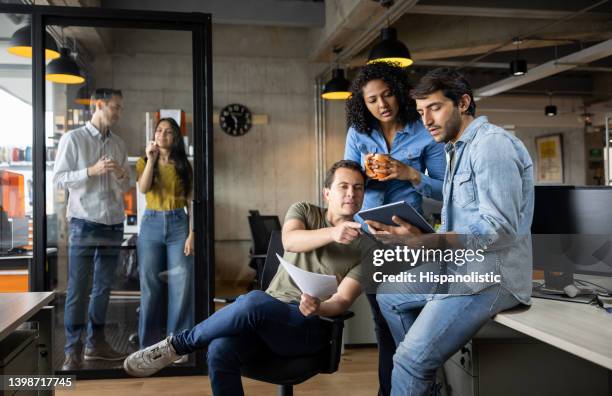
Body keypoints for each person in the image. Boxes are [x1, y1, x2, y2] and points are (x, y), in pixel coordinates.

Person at [123, 160, 366, 396]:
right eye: (343, 186)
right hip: (268, 315)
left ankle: (178, 345)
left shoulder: (367, 248)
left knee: (252, 302)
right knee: (220, 349)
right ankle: (178, 345)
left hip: (309, 326)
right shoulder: (304, 210)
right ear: (327, 193)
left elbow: (342, 301)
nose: (351, 193)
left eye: (358, 188)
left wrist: (318, 307)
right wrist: (333, 233)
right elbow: (290, 240)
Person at [368, 67, 534, 396]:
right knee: (389, 292)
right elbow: (457, 210)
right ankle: (423, 374)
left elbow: (498, 230)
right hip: (463, 266)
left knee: (409, 361)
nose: (426, 120)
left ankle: (416, 366)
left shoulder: (492, 146)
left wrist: (426, 242)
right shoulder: (457, 148)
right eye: (420, 111)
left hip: (492, 277)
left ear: (463, 103)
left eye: (435, 108)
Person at [343, 61, 446, 396]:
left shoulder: (422, 130)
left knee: (413, 324)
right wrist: (364, 177)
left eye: (387, 95)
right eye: (372, 100)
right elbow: (347, 178)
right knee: (382, 326)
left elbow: (446, 188)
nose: (382, 104)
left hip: (409, 237)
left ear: (399, 92)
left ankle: (420, 389)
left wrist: (410, 175)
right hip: (370, 236)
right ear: (363, 103)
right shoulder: (359, 133)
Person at [53, 88, 130, 370]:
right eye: (115, 107)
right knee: (78, 289)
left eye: (120, 108)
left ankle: (95, 345)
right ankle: (72, 351)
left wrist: (122, 175)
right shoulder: (73, 140)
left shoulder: (119, 144)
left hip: (113, 224)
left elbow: (127, 185)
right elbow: (58, 180)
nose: (119, 113)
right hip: (84, 223)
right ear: (99, 105)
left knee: (103, 289)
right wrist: (90, 171)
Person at [136, 117, 194, 352]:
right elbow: (143, 188)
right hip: (151, 223)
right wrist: (151, 159)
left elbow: (191, 202)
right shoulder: (143, 161)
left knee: (181, 282)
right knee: (150, 285)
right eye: (159, 131)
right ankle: (147, 346)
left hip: (179, 222)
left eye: (168, 132)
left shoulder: (184, 165)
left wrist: (193, 233)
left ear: (176, 137)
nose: (163, 135)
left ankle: (176, 345)